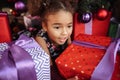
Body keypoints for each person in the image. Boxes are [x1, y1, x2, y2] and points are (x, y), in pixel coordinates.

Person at [33, 0, 78, 80]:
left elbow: (71, 54)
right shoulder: (41, 40)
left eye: (69, 26)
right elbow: (48, 69)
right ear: (45, 26)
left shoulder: (66, 35)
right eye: (57, 27)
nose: (65, 32)